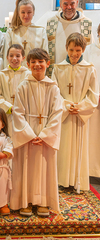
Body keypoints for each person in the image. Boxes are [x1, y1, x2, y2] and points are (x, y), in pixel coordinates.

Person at [11, 48, 63, 217]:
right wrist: (30, 135)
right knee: (26, 167)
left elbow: (57, 113)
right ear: (28, 64)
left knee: (44, 168)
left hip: (44, 137)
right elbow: (17, 112)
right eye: (33, 62)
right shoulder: (23, 86)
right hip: (28, 136)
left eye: (41, 62)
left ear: (47, 64)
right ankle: (25, 202)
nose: (37, 65)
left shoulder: (53, 88)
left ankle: (43, 202)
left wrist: (45, 135)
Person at [52, 33, 98, 192]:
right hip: (64, 114)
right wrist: (66, 105)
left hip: (79, 115)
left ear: (83, 49)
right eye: (71, 49)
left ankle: (77, 180)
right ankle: (61, 180)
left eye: (78, 50)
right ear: (66, 48)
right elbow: (54, 92)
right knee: (63, 147)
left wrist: (80, 106)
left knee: (79, 148)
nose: (74, 54)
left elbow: (93, 94)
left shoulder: (89, 69)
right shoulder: (58, 68)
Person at [46, 0, 93, 76]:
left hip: (79, 73)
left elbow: (90, 51)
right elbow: (46, 49)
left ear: (77, 3)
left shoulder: (86, 23)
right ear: (60, 4)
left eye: (72, 3)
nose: (69, 7)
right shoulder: (51, 23)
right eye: (65, 4)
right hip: (57, 73)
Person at [0, 44, 29, 137]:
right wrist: (9, 107)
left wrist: (19, 108)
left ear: (23, 58)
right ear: (7, 57)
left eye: (18, 56)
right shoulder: (1, 75)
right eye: (11, 56)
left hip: (23, 114)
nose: (14, 58)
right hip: (6, 115)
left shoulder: (28, 75)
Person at [3, 0, 48, 68]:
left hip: (35, 72)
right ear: (18, 13)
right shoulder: (11, 32)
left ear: (33, 12)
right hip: (15, 72)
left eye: (29, 12)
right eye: (23, 12)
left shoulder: (41, 31)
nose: (26, 15)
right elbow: (7, 55)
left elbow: (44, 55)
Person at [84, 24, 100, 178]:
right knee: (94, 137)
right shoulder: (89, 50)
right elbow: (85, 74)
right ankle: (93, 171)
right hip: (93, 99)